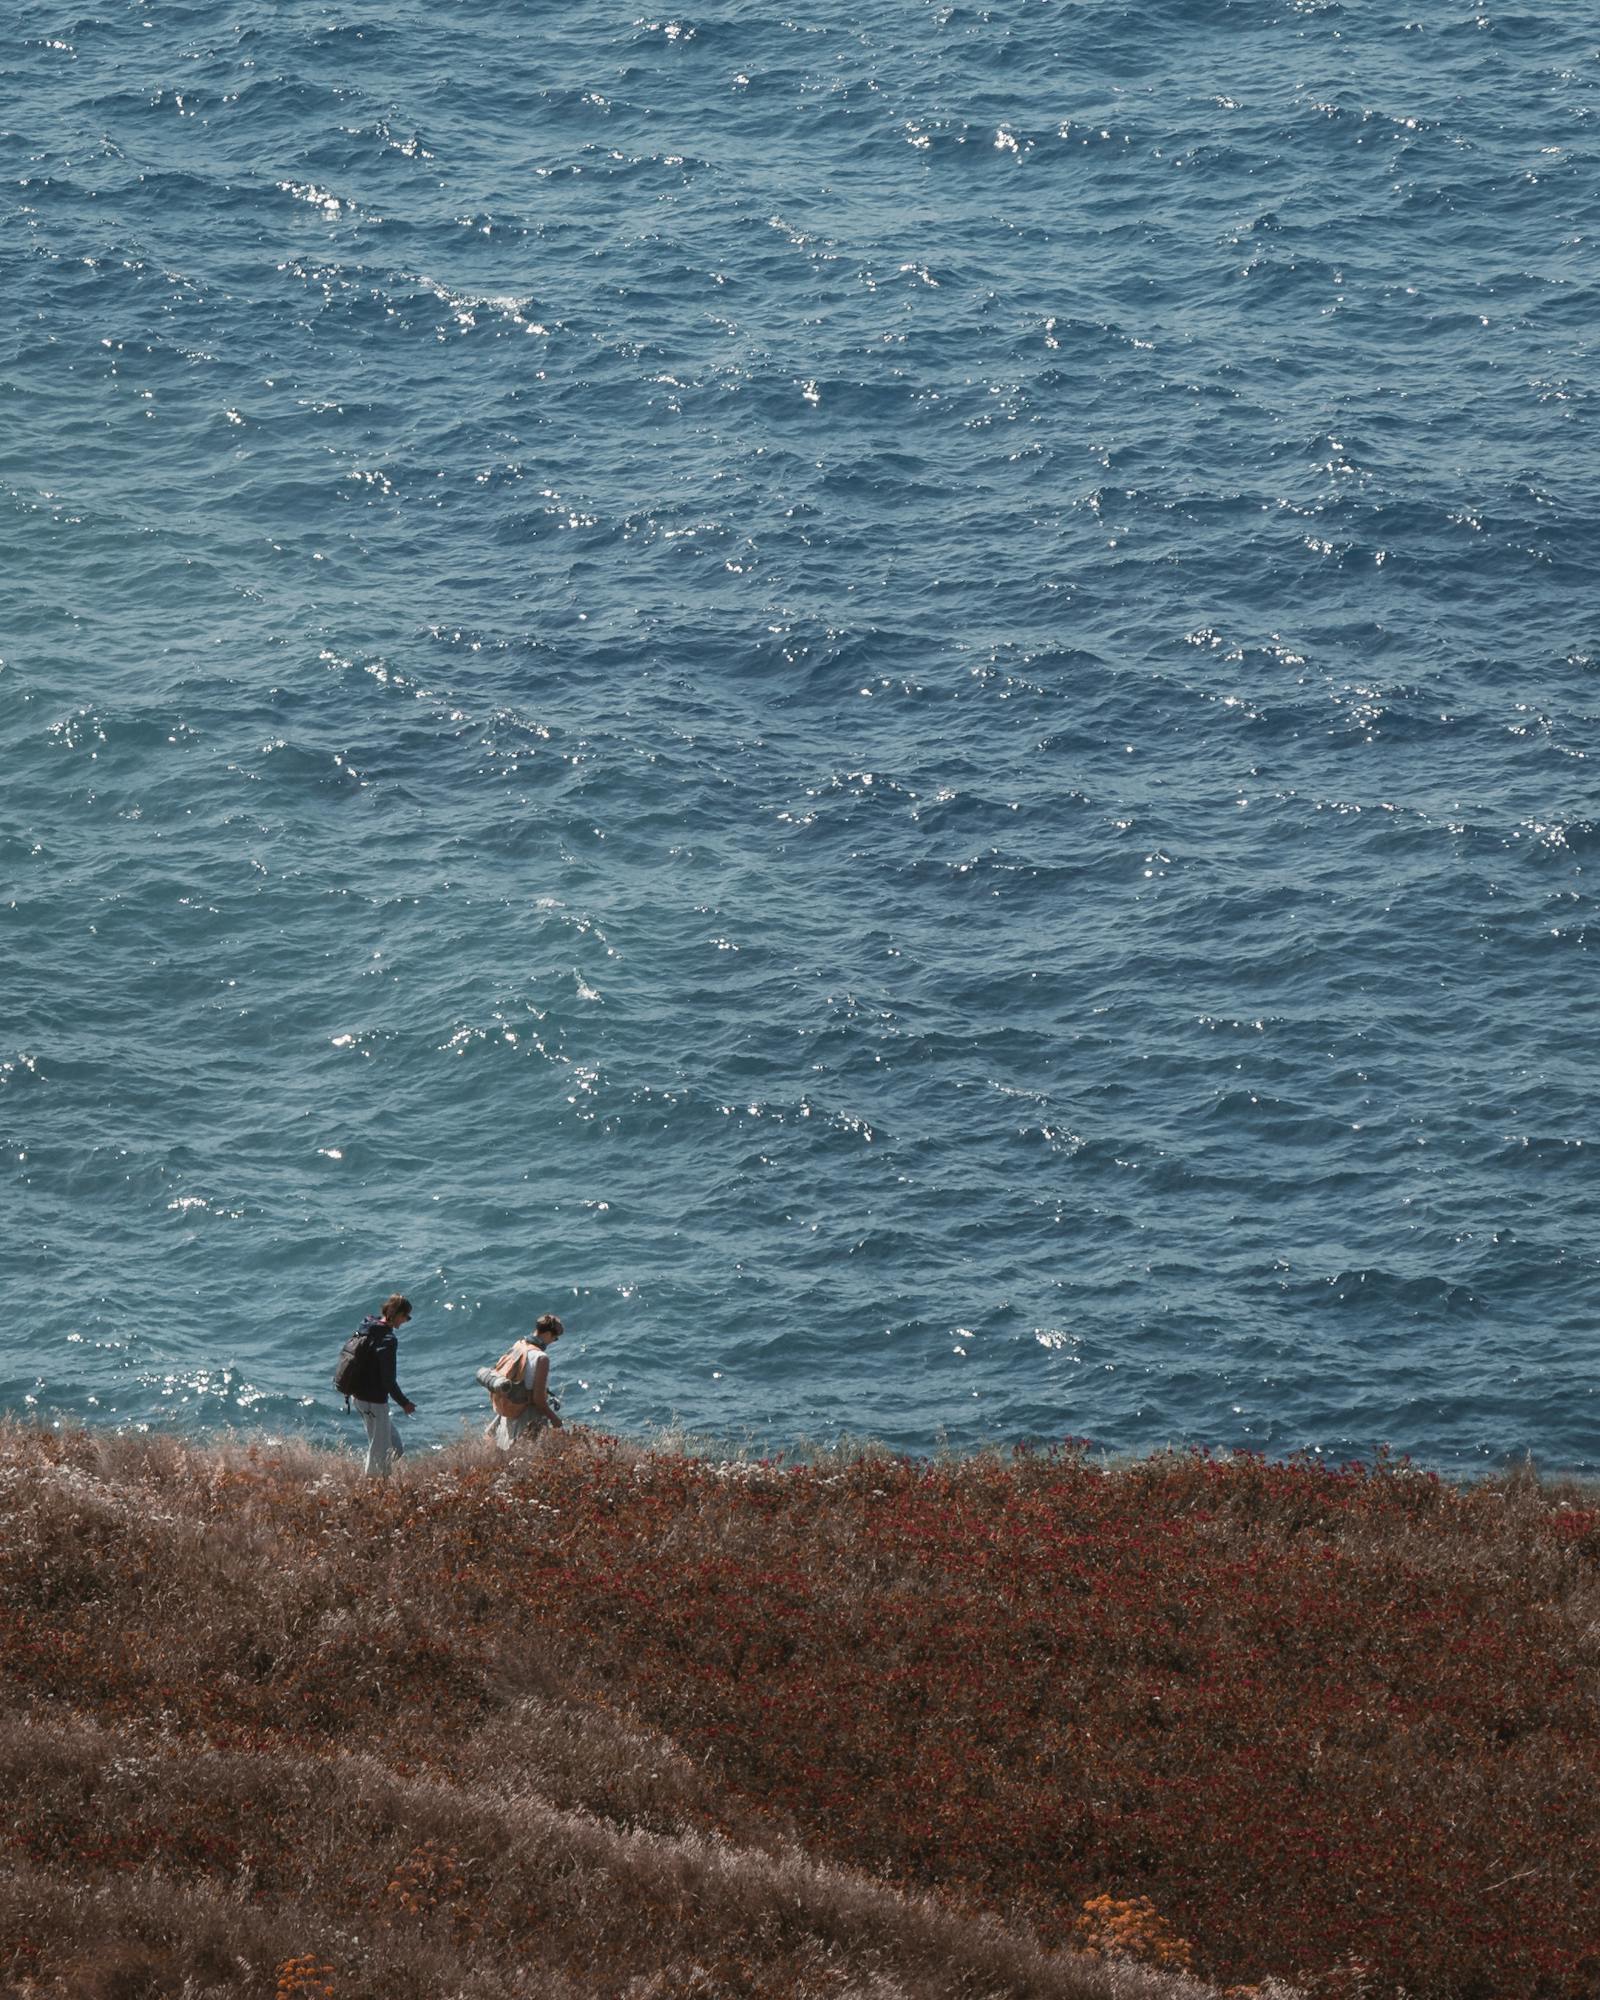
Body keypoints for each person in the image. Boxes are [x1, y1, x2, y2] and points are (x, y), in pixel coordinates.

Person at [350, 1293, 417, 1478]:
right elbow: (388, 1381)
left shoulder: (367, 1326)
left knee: (395, 1448)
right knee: (380, 1454)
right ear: (396, 1314)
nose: (406, 1320)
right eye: (406, 1316)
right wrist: (405, 1403)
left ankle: (377, 1486)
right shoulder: (388, 1340)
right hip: (373, 1401)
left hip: (359, 1397)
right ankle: (374, 1491)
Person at [482, 1312, 564, 1452]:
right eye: (555, 1338)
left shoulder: (519, 1345)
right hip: (527, 1412)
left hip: (509, 1407)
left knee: (503, 1453)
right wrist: (554, 1419)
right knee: (528, 1455)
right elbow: (538, 1399)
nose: (553, 1341)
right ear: (549, 1334)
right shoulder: (542, 1358)